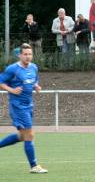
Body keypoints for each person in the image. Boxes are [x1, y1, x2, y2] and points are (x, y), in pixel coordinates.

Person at [0, 44, 48, 173]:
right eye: (25, 54)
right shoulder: (13, 69)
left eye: (30, 54)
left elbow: (33, 81)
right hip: (18, 106)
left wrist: (36, 87)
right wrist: (11, 90)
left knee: (22, 136)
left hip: (29, 104)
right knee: (29, 134)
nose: (28, 57)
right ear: (19, 55)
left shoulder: (34, 67)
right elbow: (1, 82)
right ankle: (34, 166)